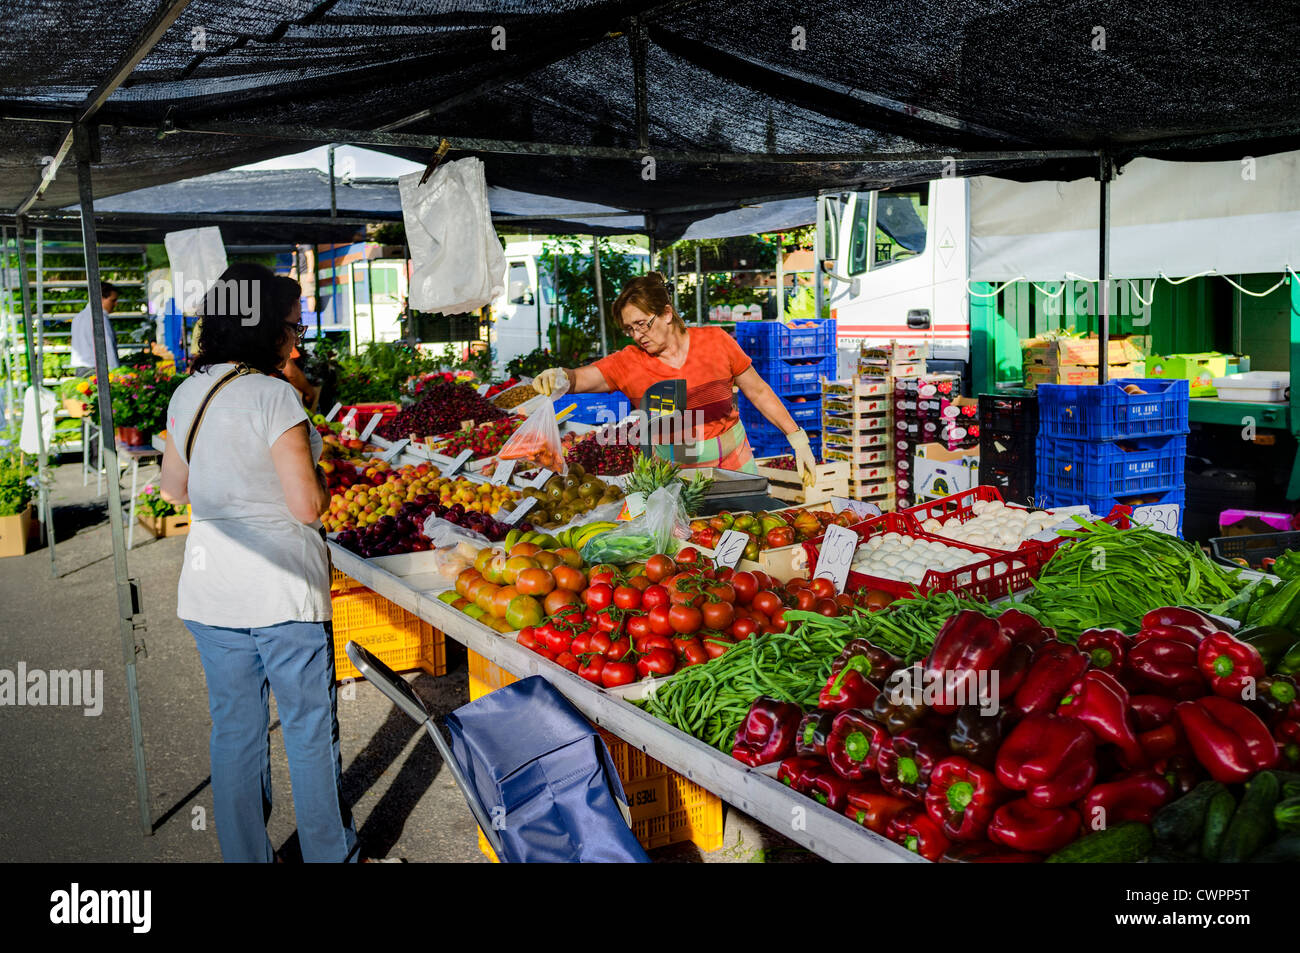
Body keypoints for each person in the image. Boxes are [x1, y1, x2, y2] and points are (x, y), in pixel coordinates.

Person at [160, 263, 358, 863]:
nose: (297, 340)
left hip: (211, 590)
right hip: (281, 592)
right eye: (293, 327)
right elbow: (306, 507)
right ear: (265, 329)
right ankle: (331, 856)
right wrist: (319, 476)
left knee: (237, 732)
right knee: (306, 729)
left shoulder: (188, 391)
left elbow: (174, 489)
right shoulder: (274, 395)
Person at [533, 272, 818, 482]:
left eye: (642, 324)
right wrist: (560, 377)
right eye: (629, 329)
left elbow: (758, 391)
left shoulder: (716, 342)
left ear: (667, 313)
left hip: (735, 467)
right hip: (674, 478)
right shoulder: (629, 363)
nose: (637, 335)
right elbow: (581, 378)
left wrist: (797, 437)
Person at [69, 281, 120, 376]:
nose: (116, 304)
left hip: (80, 370)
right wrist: (117, 373)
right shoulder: (100, 318)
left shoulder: (78, 317)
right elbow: (108, 347)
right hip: (96, 371)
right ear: (100, 298)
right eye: (112, 300)